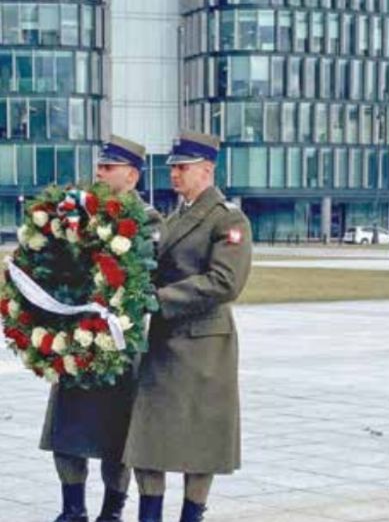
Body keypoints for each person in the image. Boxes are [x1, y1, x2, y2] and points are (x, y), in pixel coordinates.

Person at [124, 131, 253, 522]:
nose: (174, 175)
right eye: (172, 168)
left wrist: (159, 300)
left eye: (182, 168)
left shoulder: (228, 218)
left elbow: (224, 282)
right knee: (149, 438)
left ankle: (191, 515)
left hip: (203, 346)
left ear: (207, 170)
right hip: (165, 341)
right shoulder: (175, 217)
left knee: (200, 443)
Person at [41, 136, 162, 522]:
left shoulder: (148, 219)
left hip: (119, 346)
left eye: (109, 167)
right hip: (76, 341)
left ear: (132, 174)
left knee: (116, 438)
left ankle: (112, 512)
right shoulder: (78, 212)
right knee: (67, 433)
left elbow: (145, 279)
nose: (100, 172)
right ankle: (72, 509)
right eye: (100, 166)